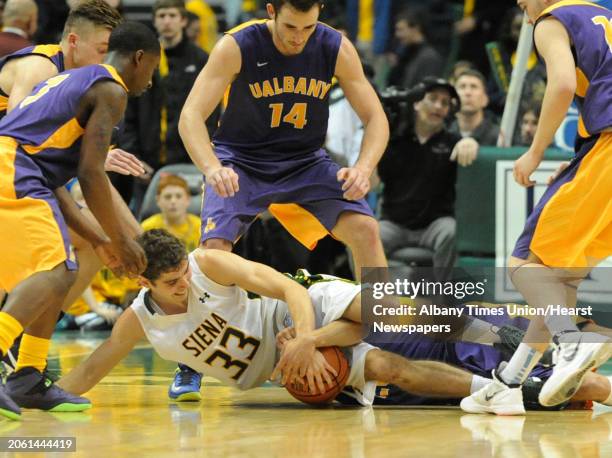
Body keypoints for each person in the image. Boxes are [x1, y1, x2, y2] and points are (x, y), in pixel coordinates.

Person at [56, 229, 612, 410]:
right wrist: (29, 397)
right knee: (396, 366)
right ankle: (500, 391)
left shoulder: (207, 263)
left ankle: (533, 338)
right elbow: (83, 377)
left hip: (303, 312)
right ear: (144, 283)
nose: (185, 284)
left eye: (183, 273)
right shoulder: (139, 322)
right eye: (173, 283)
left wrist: (307, 338)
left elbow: (283, 288)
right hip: (292, 366)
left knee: (400, 309)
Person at [0, 20, 160, 421]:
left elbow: (57, 185)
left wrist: (104, 241)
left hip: (23, 170)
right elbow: (91, 175)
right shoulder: (110, 88)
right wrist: (122, 242)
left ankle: (28, 377)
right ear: (139, 59)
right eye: (153, 70)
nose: (151, 81)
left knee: (65, 269)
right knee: (54, 272)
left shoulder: (78, 81)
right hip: (11, 165)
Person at [462, 0, 612, 415]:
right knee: (559, 283)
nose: (519, 3)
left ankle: (570, 342)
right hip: (601, 149)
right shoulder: (602, 15)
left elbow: (562, 84)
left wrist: (534, 151)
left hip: (608, 148)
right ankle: (510, 383)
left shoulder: (552, 19)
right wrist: (585, 155)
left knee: (525, 265)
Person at [179, 0, 389, 279]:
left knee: (366, 229)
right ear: (271, 11)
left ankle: (378, 320)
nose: (298, 37)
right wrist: (211, 167)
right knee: (214, 250)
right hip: (241, 162)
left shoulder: (336, 47)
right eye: (290, 26)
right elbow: (190, 115)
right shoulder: (237, 45)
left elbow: (376, 118)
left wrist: (363, 168)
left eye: (308, 27)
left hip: (304, 162)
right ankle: (218, 320)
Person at [115, 0, 217, 211]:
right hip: (148, 165)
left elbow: (212, 113)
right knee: (145, 226)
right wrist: (134, 159)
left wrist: (204, 157)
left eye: (172, 16)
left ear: (183, 20)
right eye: (162, 16)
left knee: (193, 224)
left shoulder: (201, 60)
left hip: (189, 164)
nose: (167, 21)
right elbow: (128, 111)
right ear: (154, 21)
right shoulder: (142, 60)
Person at [378, 77, 478, 283]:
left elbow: (469, 147)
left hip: (435, 224)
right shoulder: (393, 139)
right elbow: (371, 184)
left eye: (444, 103)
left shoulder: (453, 142)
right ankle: (373, 297)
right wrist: (374, 139)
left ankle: (444, 299)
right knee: (366, 236)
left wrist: (469, 141)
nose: (439, 107)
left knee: (451, 232)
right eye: (433, 99)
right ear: (416, 103)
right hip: (394, 223)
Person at [386, 8, 444, 90]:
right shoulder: (404, 53)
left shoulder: (430, 58)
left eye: (401, 30)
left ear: (415, 28)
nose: (397, 35)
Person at [141, 174, 202, 252]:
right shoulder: (147, 228)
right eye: (168, 196)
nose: (173, 201)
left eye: (178, 196)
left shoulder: (201, 228)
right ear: (158, 200)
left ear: (188, 199)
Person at [450, 69, 500, 146]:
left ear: (485, 99)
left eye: (474, 87)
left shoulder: (499, 137)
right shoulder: (443, 136)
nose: (468, 92)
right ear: (453, 99)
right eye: (462, 87)